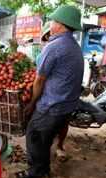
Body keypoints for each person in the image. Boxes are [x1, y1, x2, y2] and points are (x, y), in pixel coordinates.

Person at [14, 5, 84, 178]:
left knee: (34, 133)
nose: (50, 24)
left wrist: (31, 103)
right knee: (46, 139)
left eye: (52, 21)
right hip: (67, 106)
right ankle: (44, 167)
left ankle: (36, 172)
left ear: (59, 24)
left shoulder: (54, 46)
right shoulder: (74, 46)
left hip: (52, 105)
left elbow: (39, 79)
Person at [36, 21, 69, 162]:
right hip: (50, 93)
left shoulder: (56, 47)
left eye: (49, 34)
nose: (48, 38)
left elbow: (41, 79)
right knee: (50, 128)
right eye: (45, 36)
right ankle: (48, 152)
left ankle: (58, 147)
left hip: (56, 96)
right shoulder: (45, 51)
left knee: (57, 124)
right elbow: (39, 74)